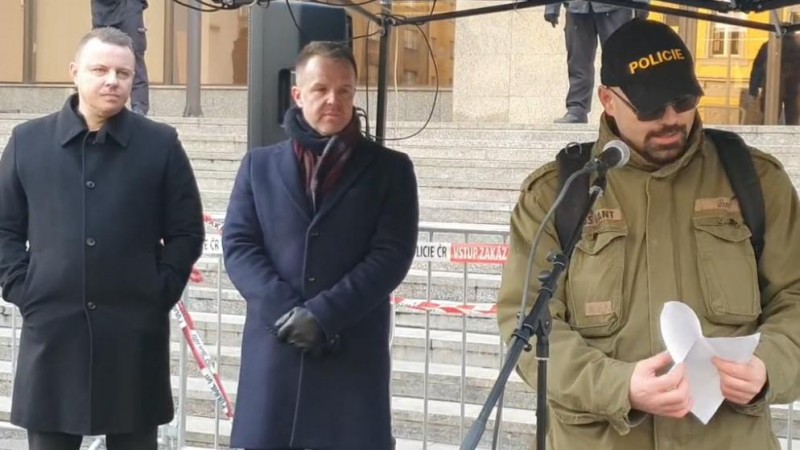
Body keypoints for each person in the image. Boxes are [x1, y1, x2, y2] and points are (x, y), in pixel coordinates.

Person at [497, 19, 800, 449]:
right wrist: (618, 386)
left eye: (683, 100)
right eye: (650, 107)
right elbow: (524, 325)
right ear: (607, 100)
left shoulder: (755, 181)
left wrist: (770, 366)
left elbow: (795, 297)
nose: (671, 119)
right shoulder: (558, 194)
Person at [0, 27, 204, 450]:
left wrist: (157, 289)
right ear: (74, 72)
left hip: (133, 333)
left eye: (124, 73)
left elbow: (186, 230)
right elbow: (4, 228)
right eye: (100, 69)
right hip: (53, 331)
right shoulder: (28, 142)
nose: (113, 80)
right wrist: (24, 287)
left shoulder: (159, 144)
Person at [222, 41, 419, 450]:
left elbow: (391, 255)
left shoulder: (390, 170)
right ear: (298, 94)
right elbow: (239, 245)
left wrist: (323, 315)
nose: (334, 100)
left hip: (349, 355)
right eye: (321, 89)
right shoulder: (258, 166)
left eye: (345, 90)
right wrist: (285, 312)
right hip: (275, 355)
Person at [545, 0, 648, 124]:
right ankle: (576, 109)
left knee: (620, 62)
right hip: (577, 8)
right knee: (578, 62)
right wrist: (551, 7)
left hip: (615, 7)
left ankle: (624, 108)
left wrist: (641, 3)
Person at [91, 0, 150, 115]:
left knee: (134, 59)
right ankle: (97, 104)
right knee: (100, 58)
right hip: (102, 10)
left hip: (129, 7)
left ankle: (139, 109)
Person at [747, 33, 800, 125]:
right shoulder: (796, 47)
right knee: (792, 121)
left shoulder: (769, 46)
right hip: (793, 87)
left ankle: (766, 136)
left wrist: (753, 91)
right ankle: (791, 138)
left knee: (769, 119)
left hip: (772, 87)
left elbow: (757, 68)